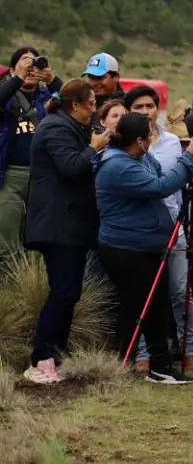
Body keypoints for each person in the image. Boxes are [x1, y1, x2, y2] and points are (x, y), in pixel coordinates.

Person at [95, 113, 193, 384]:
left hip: (145, 245)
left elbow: (158, 172)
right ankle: (123, 365)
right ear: (140, 141)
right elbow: (162, 186)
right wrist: (189, 158)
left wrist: (164, 163)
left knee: (155, 306)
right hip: (127, 248)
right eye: (149, 135)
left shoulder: (137, 157)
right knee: (136, 309)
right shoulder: (117, 166)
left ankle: (159, 367)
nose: (153, 138)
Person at [23, 80, 110, 384]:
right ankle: (40, 360)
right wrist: (93, 148)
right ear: (75, 105)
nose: (94, 111)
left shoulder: (67, 126)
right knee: (62, 291)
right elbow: (71, 166)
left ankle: (54, 356)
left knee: (69, 292)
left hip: (71, 224)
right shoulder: (55, 129)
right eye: (91, 104)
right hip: (57, 225)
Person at [127, 86, 193, 373]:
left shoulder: (172, 142)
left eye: (150, 106)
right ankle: (145, 353)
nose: (145, 111)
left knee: (182, 290)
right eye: (138, 107)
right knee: (147, 293)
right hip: (142, 228)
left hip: (175, 225)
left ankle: (189, 348)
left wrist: (190, 220)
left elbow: (182, 184)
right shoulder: (125, 147)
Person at [0, 47, 62, 257]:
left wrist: (51, 78)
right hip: (11, 175)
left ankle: (34, 280)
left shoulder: (48, 96)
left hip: (43, 174)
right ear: (11, 70)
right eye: (25, 61)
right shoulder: (6, 93)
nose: (30, 66)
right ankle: (9, 283)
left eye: (35, 63)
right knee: (6, 234)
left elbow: (75, 102)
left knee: (38, 234)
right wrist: (17, 78)